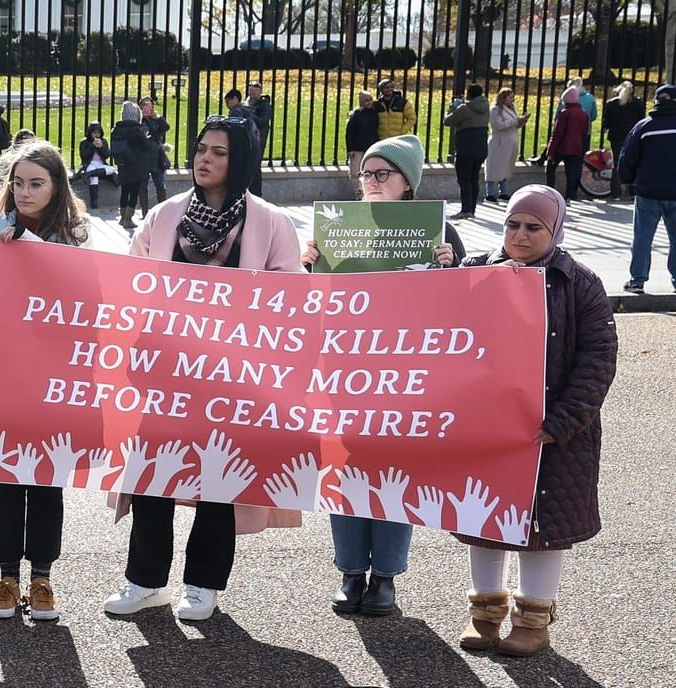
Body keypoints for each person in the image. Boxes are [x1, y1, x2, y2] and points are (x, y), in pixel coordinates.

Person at [104, 116, 302, 622]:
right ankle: (145, 581)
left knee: (220, 479)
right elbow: (133, 285)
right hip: (166, 373)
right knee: (155, 475)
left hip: (235, 379)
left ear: (242, 163)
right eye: (201, 149)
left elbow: (290, 299)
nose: (205, 159)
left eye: (220, 152)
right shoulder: (165, 215)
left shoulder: (271, 222)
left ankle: (203, 585)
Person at [301, 133, 462, 620]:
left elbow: (460, 312)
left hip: (404, 378)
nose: (370, 182)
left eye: (382, 174)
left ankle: (386, 576)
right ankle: (350, 572)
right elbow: (314, 309)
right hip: (346, 375)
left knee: (393, 473)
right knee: (346, 470)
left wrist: (449, 272)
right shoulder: (338, 229)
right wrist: (308, 268)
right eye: (365, 174)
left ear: (407, 185)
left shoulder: (437, 234)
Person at [458, 186, 617, 657]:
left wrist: (563, 421)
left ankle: (534, 618)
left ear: (555, 231)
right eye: (512, 225)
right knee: (484, 519)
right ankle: (485, 612)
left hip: (556, 433)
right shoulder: (476, 272)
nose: (520, 235)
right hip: (489, 429)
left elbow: (598, 359)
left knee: (545, 528)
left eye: (533, 228)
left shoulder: (580, 283)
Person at [0, 139, 89, 621]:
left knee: (48, 480)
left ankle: (43, 578)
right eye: (18, 182)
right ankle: (7, 578)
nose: (25, 192)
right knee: (5, 478)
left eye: (37, 183)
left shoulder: (77, 242)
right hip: (2, 378)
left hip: (53, 384)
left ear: (57, 187)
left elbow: (90, 313)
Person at [618, 83, 676, 294]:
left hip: (648, 191)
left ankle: (638, 280)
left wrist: (628, 181)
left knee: (642, 238)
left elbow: (627, 157)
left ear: (656, 101)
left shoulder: (644, 127)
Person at [443, 83, 491, 219]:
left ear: (469, 93)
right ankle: (472, 209)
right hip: (481, 147)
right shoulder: (486, 107)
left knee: (464, 179)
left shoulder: (465, 108)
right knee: (474, 178)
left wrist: (453, 107)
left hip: (466, 147)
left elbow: (447, 121)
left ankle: (465, 209)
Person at [110, 101, 156, 232]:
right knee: (134, 191)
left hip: (123, 165)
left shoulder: (116, 130)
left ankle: (122, 216)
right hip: (136, 166)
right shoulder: (136, 130)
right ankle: (128, 219)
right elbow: (145, 146)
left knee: (124, 191)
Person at [545, 85, 591, 202]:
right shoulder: (584, 114)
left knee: (551, 168)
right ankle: (569, 195)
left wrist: (550, 150)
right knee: (571, 172)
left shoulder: (565, 113)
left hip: (561, 147)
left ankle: (551, 191)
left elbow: (557, 134)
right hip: (576, 148)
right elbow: (585, 132)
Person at [604, 81, 646, 200]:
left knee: (616, 164)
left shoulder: (611, 104)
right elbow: (641, 120)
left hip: (616, 137)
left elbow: (606, 123)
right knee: (634, 163)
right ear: (632, 90)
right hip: (633, 136)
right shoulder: (637, 103)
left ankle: (615, 193)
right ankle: (633, 192)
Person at [485, 88, 525, 203]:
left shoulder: (510, 109)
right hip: (499, 142)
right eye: (510, 97)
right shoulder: (495, 110)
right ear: (503, 98)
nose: (512, 100)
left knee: (506, 167)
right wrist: (515, 121)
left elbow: (513, 125)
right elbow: (498, 125)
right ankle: (490, 193)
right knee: (494, 167)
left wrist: (521, 122)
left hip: (510, 142)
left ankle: (503, 192)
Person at [138, 97, 172, 203]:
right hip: (143, 156)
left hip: (156, 156)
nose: (146, 107)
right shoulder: (138, 121)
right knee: (142, 184)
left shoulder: (156, 119)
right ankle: (144, 211)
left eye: (149, 104)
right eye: (144, 104)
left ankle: (162, 208)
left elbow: (166, 127)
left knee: (160, 184)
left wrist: (157, 117)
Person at [75, 121, 116, 209]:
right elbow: (84, 156)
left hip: (100, 164)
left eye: (98, 133)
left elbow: (107, 155)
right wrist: (92, 146)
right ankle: (94, 202)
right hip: (89, 164)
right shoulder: (84, 142)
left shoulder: (103, 141)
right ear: (90, 133)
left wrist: (101, 147)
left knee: (112, 169)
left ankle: (88, 175)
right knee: (94, 178)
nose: (96, 135)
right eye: (94, 133)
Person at [244, 81, 273, 197]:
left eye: (255, 93)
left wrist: (249, 113)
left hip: (259, 139)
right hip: (247, 138)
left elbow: (262, 122)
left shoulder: (265, 105)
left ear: (260, 92)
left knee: (255, 166)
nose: (252, 95)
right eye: (250, 92)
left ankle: (256, 194)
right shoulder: (246, 103)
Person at [345, 90, 381, 181]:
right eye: (366, 100)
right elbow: (349, 133)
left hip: (371, 146)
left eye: (371, 100)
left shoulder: (375, 113)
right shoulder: (356, 115)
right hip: (357, 148)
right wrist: (350, 149)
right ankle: (358, 193)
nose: (369, 102)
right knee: (356, 172)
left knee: (371, 171)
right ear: (361, 102)